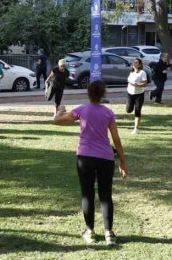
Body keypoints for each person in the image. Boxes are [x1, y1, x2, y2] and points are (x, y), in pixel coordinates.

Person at [54, 81, 128, 245]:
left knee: (87, 194)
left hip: (85, 157)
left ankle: (90, 232)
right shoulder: (108, 113)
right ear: (104, 94)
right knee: (105, 195)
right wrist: (122, 160)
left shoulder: (81, 109)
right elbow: (116, 139)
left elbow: (58, 121)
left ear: (88, 93)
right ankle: (109, 233)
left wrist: (59, 111)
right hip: (106, 158)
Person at [126, 58, 148, 135]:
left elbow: (145, 83)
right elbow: (129, 80)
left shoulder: (142, 73)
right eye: (134, 62)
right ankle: (130, 108)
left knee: (137, 110)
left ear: (140, 64)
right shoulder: (131, 72)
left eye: (136, 63)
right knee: (128, 110)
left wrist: (137, 84)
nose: (134, 64)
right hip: (130, 93)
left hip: (139, 94)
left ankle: (136, 129)